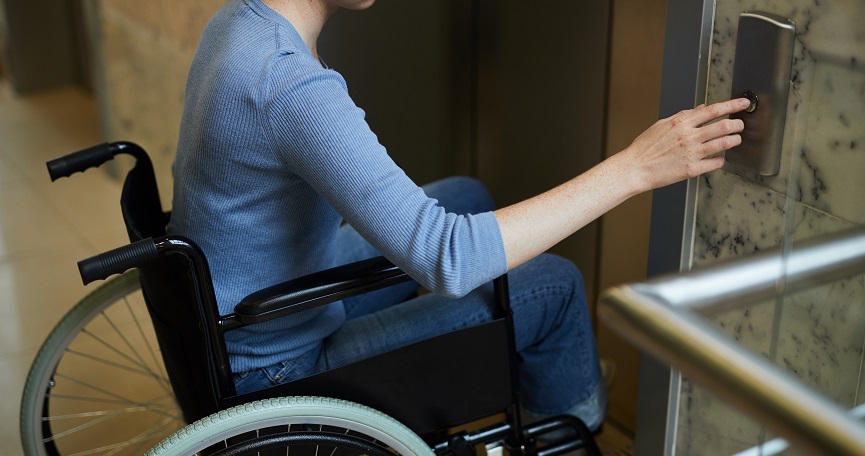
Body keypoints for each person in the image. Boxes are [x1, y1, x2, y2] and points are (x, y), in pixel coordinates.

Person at [168, 0, 748, 433]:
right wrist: (636, 168)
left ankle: (513, 365)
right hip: (274, 366)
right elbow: (449, 257)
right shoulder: (289, 83)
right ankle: (570, 426)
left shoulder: (239, 23)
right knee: (556, 286)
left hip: (243, 311)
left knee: (466, 193)